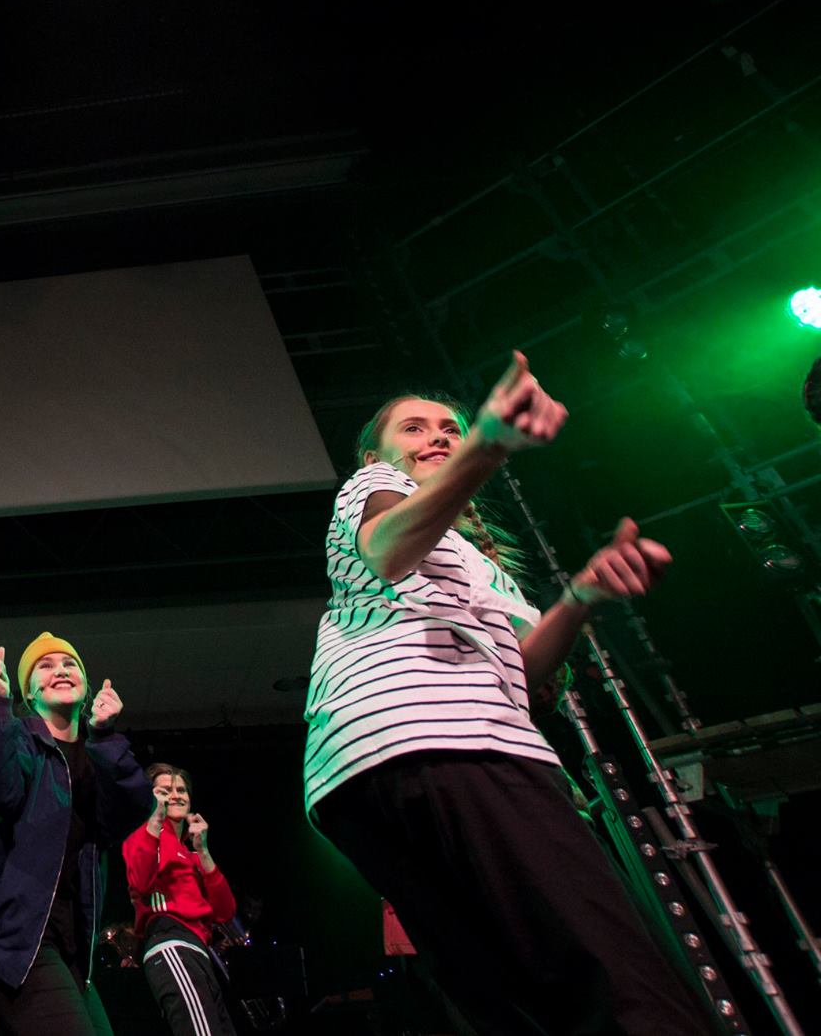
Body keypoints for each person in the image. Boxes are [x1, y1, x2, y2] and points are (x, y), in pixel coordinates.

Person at [304, 354, 713, 1036]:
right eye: (414, 427)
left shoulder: (481, 565)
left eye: (451, 428)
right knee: (608, 969)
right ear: (376, 454)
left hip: (357, 775)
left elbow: (523, 670)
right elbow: (389, 548)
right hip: (448, 740)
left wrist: (581, 595)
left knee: (511, 995)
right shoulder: (373, 484)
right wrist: (489, 444)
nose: (437, 435)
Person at [0, 633, 151, 1036]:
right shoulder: (21, 741)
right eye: (44, 666)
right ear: (29, 691)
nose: (60, 670)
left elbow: (133, 808)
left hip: (70, 949)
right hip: (13, 942)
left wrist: (106, 737)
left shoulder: (95, 757)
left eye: (69, 664)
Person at [122, 763, 238, 1036]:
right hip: (171, 945)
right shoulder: (144, 837)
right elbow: (140, 882)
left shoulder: (191, 855)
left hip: (199, 951)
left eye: (182, 790)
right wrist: (155, 819)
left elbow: (225, 911)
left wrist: (203, 851)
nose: (175, 795)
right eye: (165, 790)